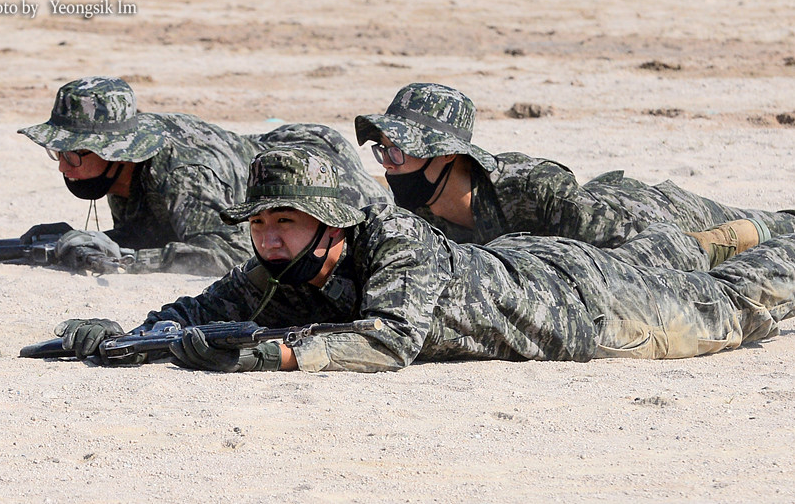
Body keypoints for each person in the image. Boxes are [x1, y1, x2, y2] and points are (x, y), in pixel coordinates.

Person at [52, 148, 795, 373]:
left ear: (335, 224)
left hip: (593, 306)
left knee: (738, 304)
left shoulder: (394, 245)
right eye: (262, 224)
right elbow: (204, 310)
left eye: (286, 222)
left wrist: (265, 357)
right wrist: (121, 337)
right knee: (676, 252)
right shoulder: (282, 261)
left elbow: (385, 341)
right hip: (537, 262)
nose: (269, 238)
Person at [353, 82, 795, 265]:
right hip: (608, 209)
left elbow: (644, 242)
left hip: (655, 211)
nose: (389, 166)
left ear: (444, 155)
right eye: (383, 152)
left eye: (399, 151)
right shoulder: (421, 215)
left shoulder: (532, 189)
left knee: (776, 227)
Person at [17, 76, 391, 276]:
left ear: (116, 151)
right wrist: (82, 240)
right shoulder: (125, 168)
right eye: (58, 152)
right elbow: (159, 232)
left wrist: (126, 260)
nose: (64, 166)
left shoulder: (183, 175)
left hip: (316, 178)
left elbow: (233, 251)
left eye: (73, 154)